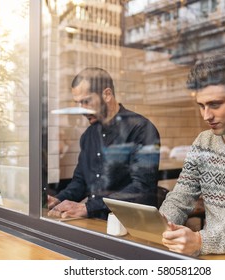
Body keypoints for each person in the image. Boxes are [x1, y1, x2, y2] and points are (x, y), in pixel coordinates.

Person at [159, 55, 225, 257]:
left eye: (215, 104)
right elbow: (180, 199)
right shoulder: (203, 141)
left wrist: (201, 240)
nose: (206, 115)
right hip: (210, 255)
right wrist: (163, 226)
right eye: (201, 105)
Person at [48, 67, 160, 220]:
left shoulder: (141, 129)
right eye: (78, 103)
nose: (81, 110)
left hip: (133, 225)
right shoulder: (88, 136)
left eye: (86, 101)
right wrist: (58, 199)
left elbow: (142, 187)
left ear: (107, 94)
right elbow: (80, 182)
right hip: (98, 224)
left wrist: (88, 207)